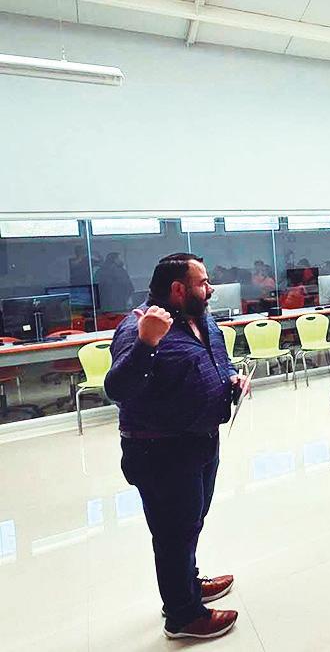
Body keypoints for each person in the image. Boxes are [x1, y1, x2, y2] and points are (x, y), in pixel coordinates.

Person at [105, 253, 248, 640]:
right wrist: (147, 343)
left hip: (201, 440)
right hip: (162, 451)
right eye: (203, 283)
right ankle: (183, 616)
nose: (210, 289)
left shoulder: (201, 317)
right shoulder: (138, 326)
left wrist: (232, 379)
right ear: (178, 289)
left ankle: (187, 583)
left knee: (190, 523)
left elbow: (217, 359)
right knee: (173, 534)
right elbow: (117, 389)